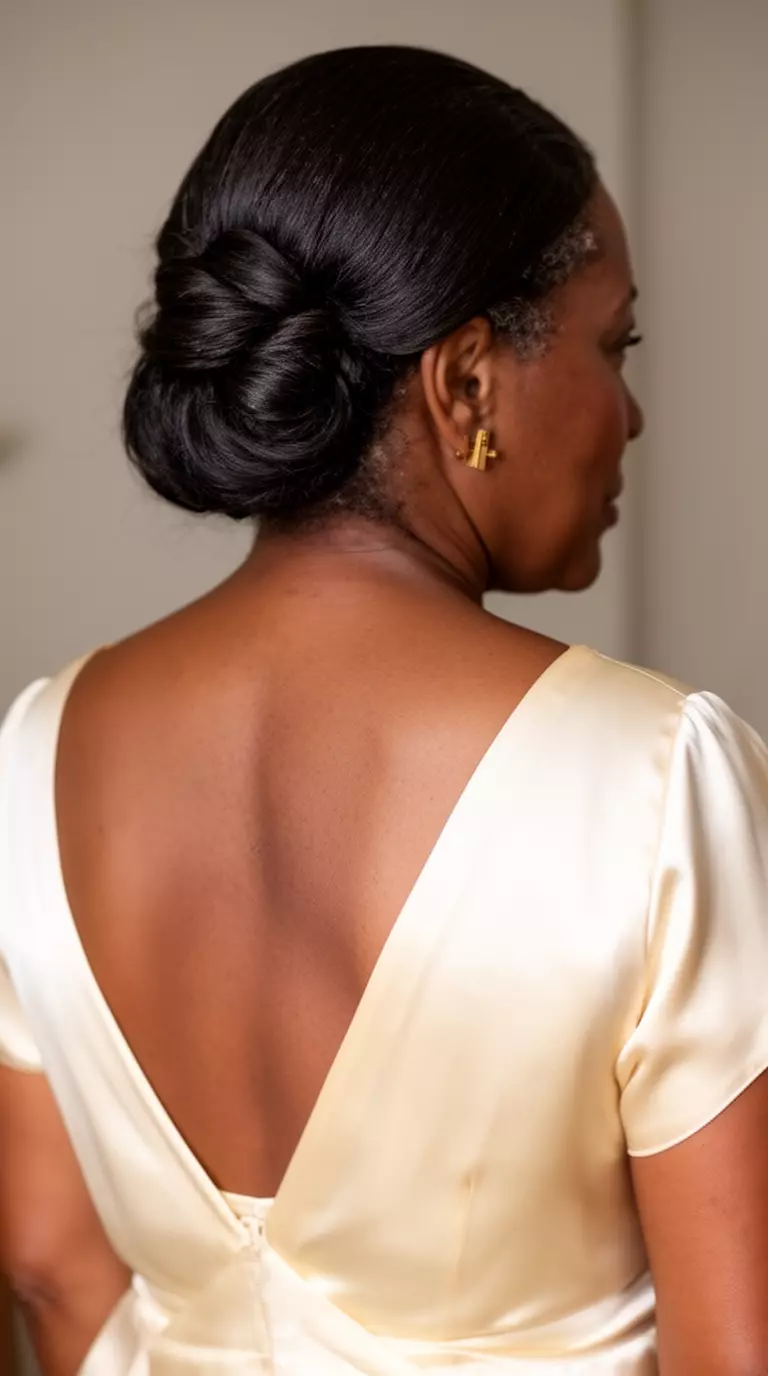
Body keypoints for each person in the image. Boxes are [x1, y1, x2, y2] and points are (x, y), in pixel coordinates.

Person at [1, 43, 767, 1376]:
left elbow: (53, 1268)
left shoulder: (34, 754)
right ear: (466, 381)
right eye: (615, 344)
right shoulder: (652, 777)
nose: (632, 412)